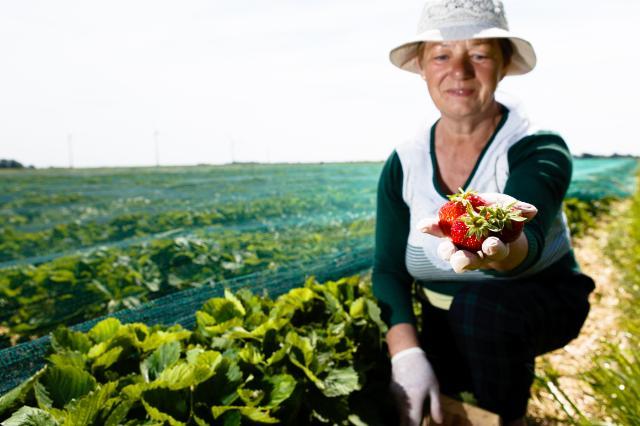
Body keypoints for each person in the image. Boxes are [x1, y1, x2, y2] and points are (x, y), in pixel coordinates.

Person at [371, 1, 595, 425]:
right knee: (429, 391)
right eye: (441, 54)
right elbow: (387, 270)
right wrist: (406, 354)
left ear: (504, 63)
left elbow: (526, 233)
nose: (460, 70)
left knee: (481, 310)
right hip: (446, 316)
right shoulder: (405, 162)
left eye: (478, 54)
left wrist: (503, 244)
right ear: (421, 65)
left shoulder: (537, 146)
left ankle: (506, 416)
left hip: (536, 302)